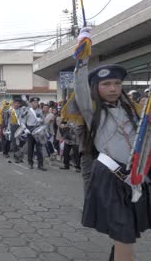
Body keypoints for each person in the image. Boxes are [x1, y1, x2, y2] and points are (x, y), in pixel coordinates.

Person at [75, 28, 151, 261]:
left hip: (135, 178)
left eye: (116, 83)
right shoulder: (92, 111)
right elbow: (79, 86)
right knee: (125, 234)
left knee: (128, 230)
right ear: (96, 88)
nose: (112, 88)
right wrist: (82, 57)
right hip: (109, 177)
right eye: (106, 83)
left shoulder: (133, 110)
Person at [21, 97, 47, 171]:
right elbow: (22, 121)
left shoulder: (40, 111)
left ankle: (40, 164)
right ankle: (30, 163)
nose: (36, 103)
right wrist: (25, 129)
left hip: (38, 130)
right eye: (34, 102)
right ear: (31, 103)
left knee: (39, 148)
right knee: (30, 148)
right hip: (30, 129)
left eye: (37, 102)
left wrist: (41, 120)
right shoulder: (27, 111)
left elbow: (44, 121)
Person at [9, 98, 25, 163]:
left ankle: (20, 157)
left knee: (21, 143)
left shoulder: (22, 110)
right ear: (13, 103)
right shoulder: (10, 110)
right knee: (14, 143)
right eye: (16, 103)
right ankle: (16, 157)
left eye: (19, 103)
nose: (17, 104)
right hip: (13, 126)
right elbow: (7, 120)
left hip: (20, 127)